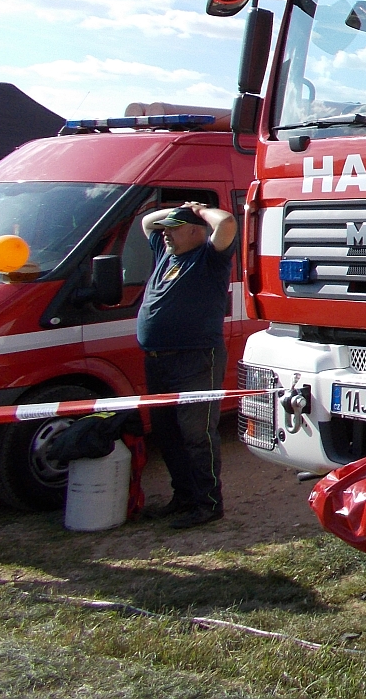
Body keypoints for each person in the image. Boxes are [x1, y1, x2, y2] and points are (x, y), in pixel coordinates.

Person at [136, 201, 236, 527]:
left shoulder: (209, 257)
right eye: (166, 230)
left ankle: (208, 504)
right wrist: (178, 211)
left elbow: (227, 224)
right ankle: (183, 497)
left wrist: (200, 210)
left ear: (195, 231)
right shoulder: (167, 253)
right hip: (158, 359)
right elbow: (147, 222)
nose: (165, 235)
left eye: (174, 229)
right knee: (168, 434)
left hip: (195, 358)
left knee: (197, 435)